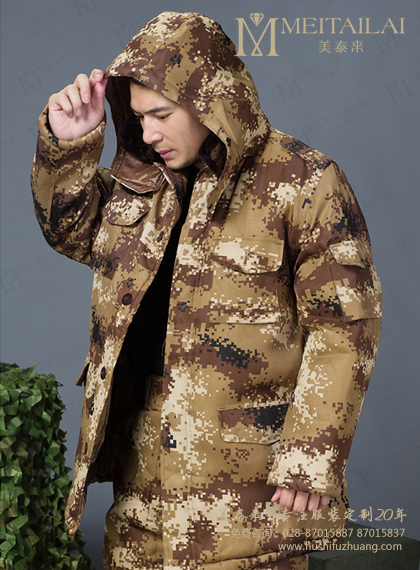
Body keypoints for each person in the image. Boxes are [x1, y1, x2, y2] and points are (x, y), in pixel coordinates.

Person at [31, 11, 382, 570]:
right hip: (139, 480)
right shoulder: (143, 182)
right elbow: (72, 232)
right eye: (138, 116)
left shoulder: (305, 180)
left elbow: (344, 326)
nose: (148, 133)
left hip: (249, 493)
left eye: (161, 115)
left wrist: (312, 454)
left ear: (210, 100)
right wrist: (69, 148)